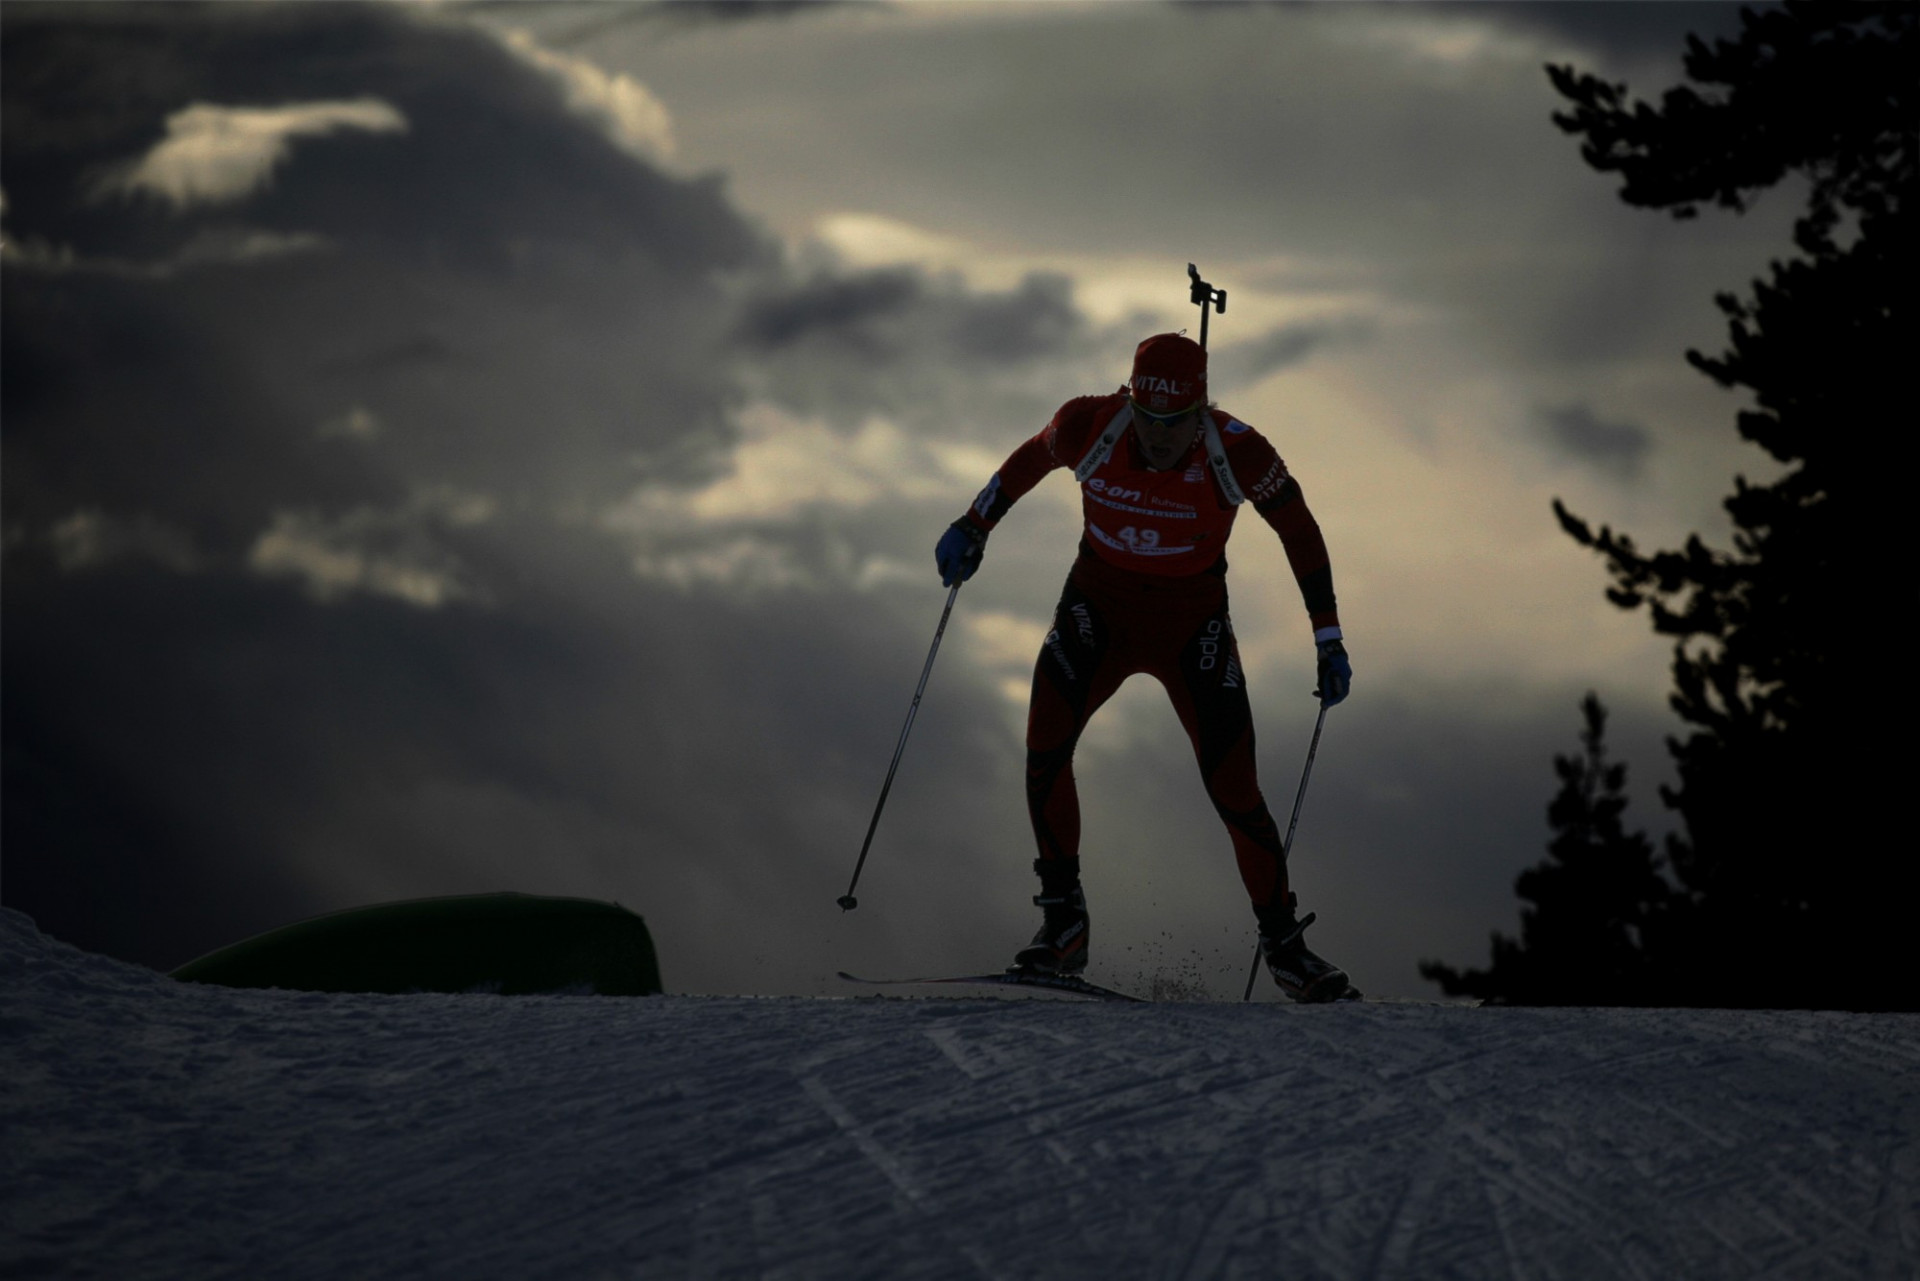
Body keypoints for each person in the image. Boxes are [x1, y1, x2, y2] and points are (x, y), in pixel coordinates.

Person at [934, 333, 1356, 1002]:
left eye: (1176, 422)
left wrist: (1327, 637)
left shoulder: (1239, 450)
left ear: (1201, 410)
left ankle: (1285, 947)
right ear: (1131, 401)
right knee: (1045, 744)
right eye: (1148, 419)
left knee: (1235, 788)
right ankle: (1064, 923)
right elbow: (1031, 457)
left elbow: (1298, 529)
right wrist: (973, 523)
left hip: (1191, 624)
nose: (1159, 437)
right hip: (1097, 608)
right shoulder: (1089, 424)